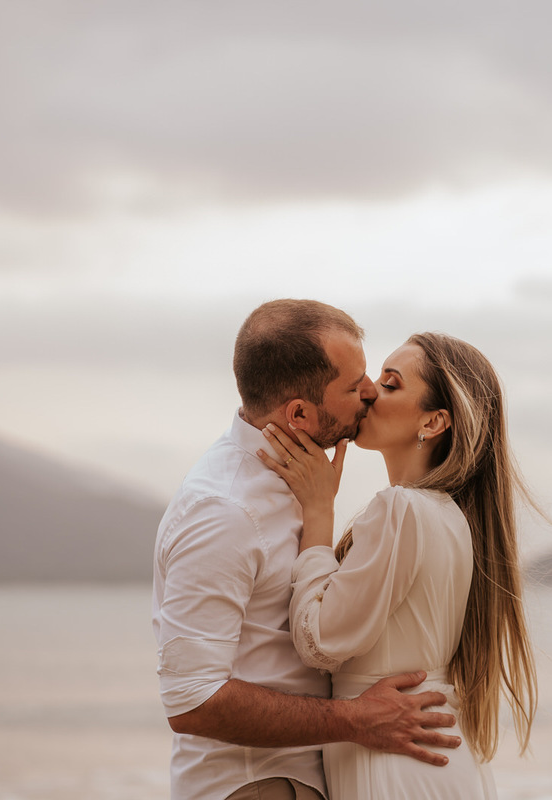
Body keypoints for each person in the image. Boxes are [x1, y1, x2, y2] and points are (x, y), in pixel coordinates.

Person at [152, 301, 461, 800]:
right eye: (354, 383)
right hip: (256, 784)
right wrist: (356, 719)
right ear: (298, 412)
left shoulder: (306, 486)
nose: (368, 393)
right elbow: (192, 700)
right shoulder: (222, 511)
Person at [257, 332, 539, 799]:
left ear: (433, 422)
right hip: (432, 763)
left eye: (390, 385)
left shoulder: (401, 510)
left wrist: (318, 514)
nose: (368, 391)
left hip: (397, 770)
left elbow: (320, 642)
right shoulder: (451, 518)